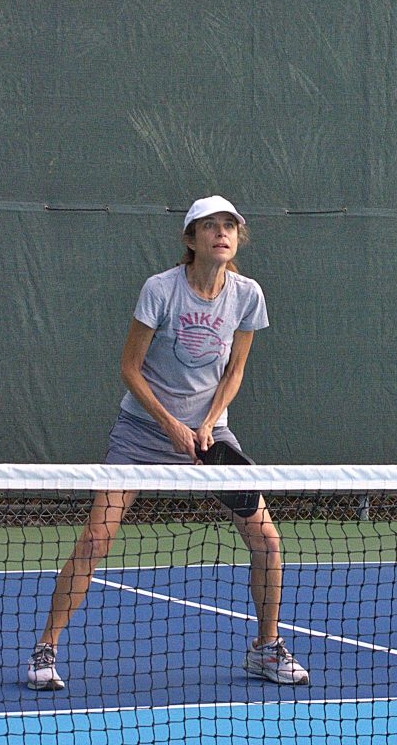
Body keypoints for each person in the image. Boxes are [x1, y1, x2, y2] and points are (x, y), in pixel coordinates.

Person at [26, 196, 310, 690]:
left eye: (230, 226)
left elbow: (235, 369)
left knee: (266, 538)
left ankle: (266, 648)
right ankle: (44, 650)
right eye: (211, 226)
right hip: (141, 432)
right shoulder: (160, 289)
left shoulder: (247, 295)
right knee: (97, 537)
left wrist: (209, 422)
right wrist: (170, 426)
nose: (222, 233)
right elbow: (129, 369)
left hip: (210, 434)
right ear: (190, 238)